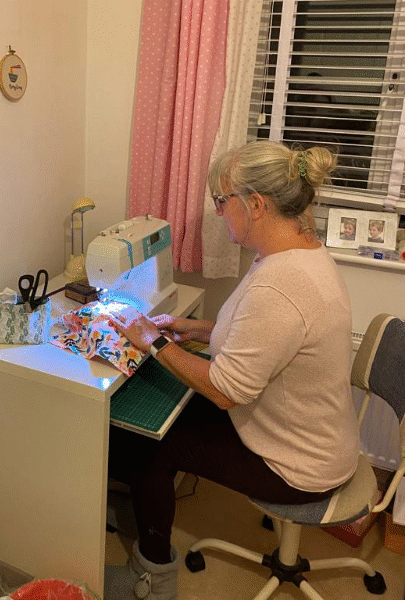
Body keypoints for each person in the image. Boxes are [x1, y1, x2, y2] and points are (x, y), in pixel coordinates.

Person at [104, 141, 360, 600]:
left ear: (256, 205)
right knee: (169, 413)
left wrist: (153, 341)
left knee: (152, 446)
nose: (219, 213)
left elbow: (225, 391)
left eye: (222, 201)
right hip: (318, 434)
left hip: (298, 464)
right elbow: (263, 337)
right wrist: (193, 328)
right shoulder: (296, 254)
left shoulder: (279, 286)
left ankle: (153, 579)